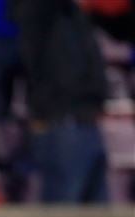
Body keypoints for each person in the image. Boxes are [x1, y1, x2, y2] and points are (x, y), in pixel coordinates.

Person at [15, 0, 110, 203]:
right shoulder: (38, 9)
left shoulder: (74, 13)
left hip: (88, 121)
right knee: (62, 216)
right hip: (62, 123)